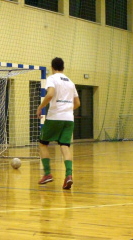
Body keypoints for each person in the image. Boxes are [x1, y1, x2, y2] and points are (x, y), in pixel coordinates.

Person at [36, 57, 80, 189]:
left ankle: (48, 174)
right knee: (65, 146)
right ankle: (69, 175)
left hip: (55, 117)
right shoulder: (71, 82)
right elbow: (77, 103)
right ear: (63, 68)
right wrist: (66, 110)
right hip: (69, 118)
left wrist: (40, 107)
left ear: (52, 67)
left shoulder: (52, 78)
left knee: (43, 144)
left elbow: (50, 94)